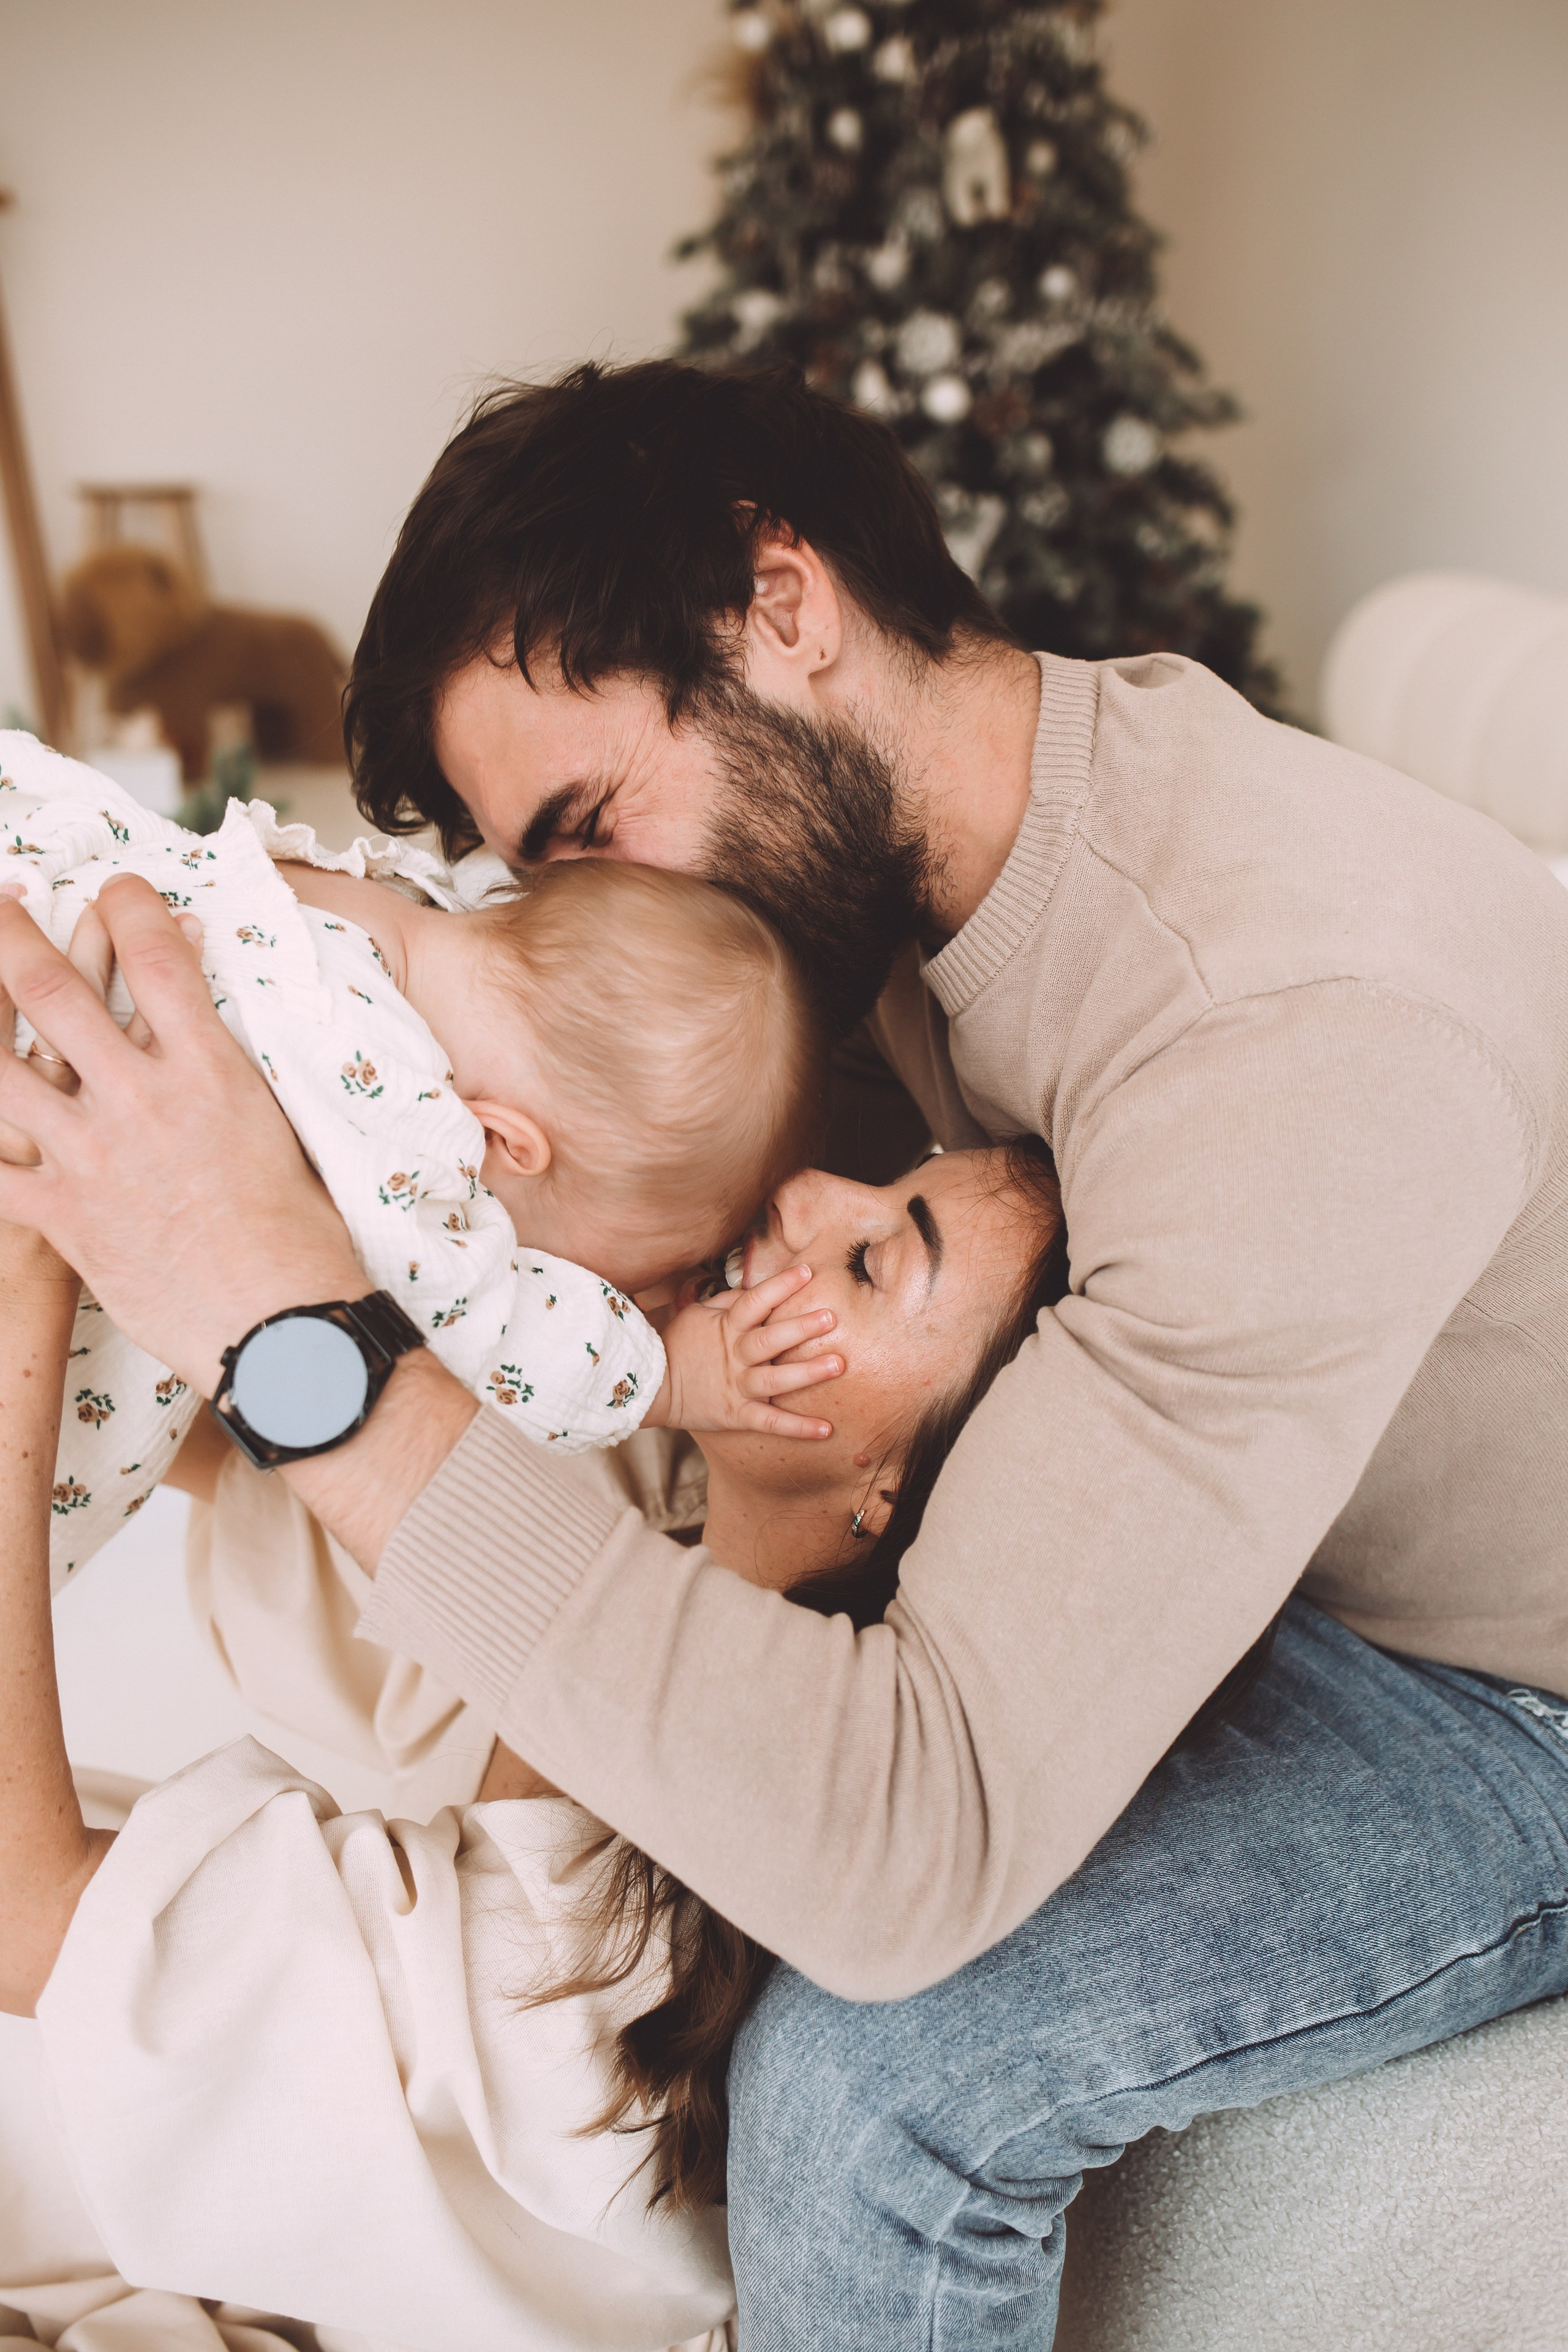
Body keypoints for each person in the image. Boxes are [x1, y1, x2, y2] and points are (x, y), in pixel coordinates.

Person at [3, 358, 1568, 2345]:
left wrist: (278, 1315)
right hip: (1259, 1489)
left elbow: (906, 1861)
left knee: (869, 2084)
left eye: (586, 830)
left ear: (784, 602)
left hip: (1501, 1691)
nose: (600, 928)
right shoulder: (878, 859)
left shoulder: (1296, 1018)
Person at [0, 1133, 1066, 2352]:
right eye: (894, 1167)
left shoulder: (619, 1978)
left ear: (888, 1494)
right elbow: (193, 1444)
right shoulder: (623, 1526)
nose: (809, 1190)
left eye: (873, 1264)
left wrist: (27, 1254)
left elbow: (28, 1914)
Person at [0, 729, 829, 1593]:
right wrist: (674, 1379)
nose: (642, 1297)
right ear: (510, 1143)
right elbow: (498, 1336)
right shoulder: (402, 1124)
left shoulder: (392, 900)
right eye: (632, 1272)